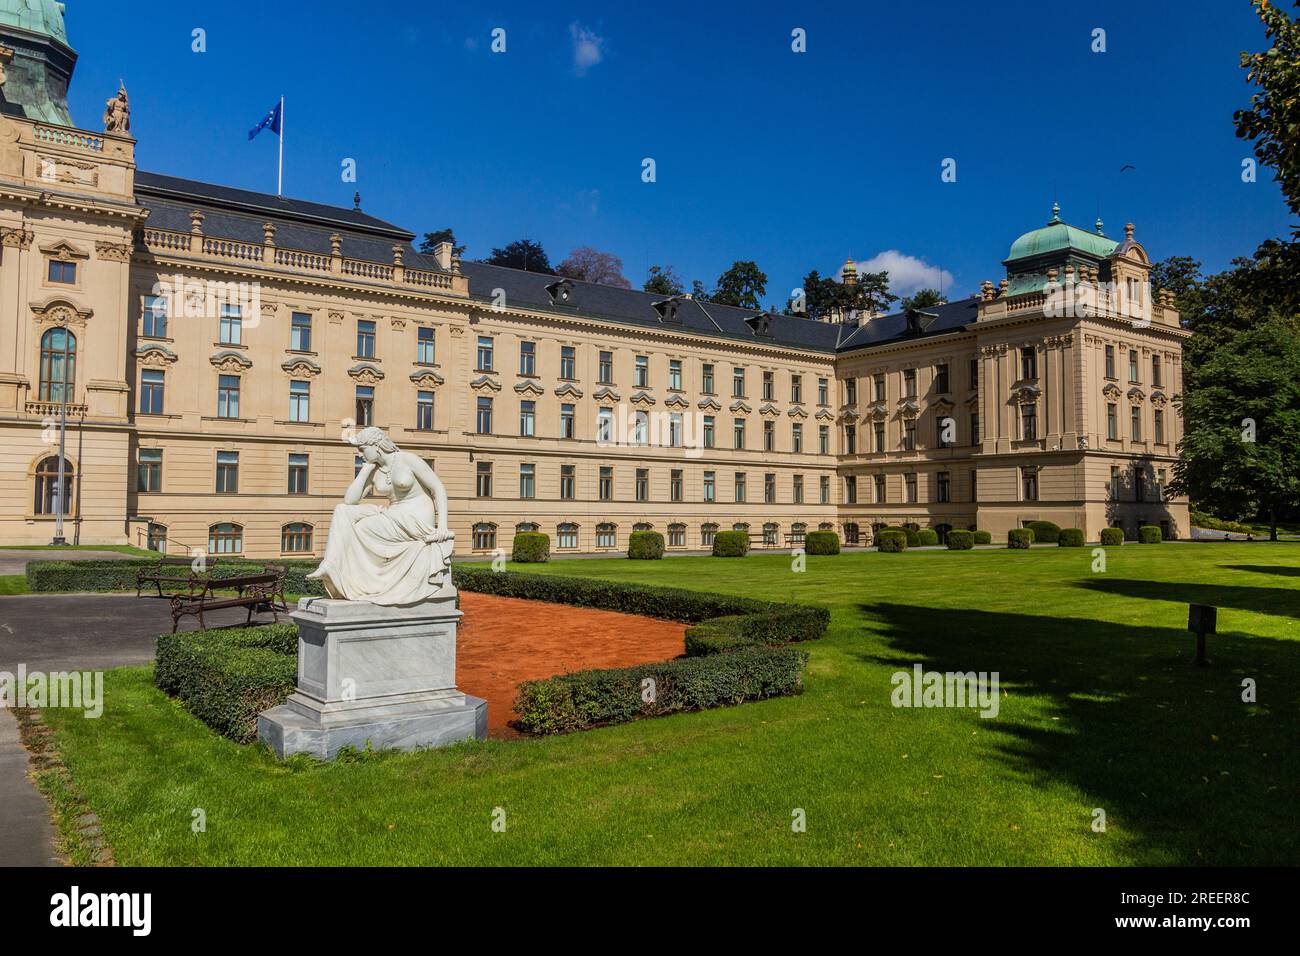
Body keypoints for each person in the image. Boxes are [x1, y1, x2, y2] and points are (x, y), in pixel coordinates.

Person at [307, 427, 455, 605]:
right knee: (342, 511)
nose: (360, 454)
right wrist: (365, 470)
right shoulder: (374, 469)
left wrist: (443, 526)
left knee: (362, 528)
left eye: (362, 449)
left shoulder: (407, 459)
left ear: (376, 445)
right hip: (393, 514)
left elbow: (437, 487)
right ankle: (330, 565)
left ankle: (355, 574)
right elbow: (350, 500)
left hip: (416, 519)